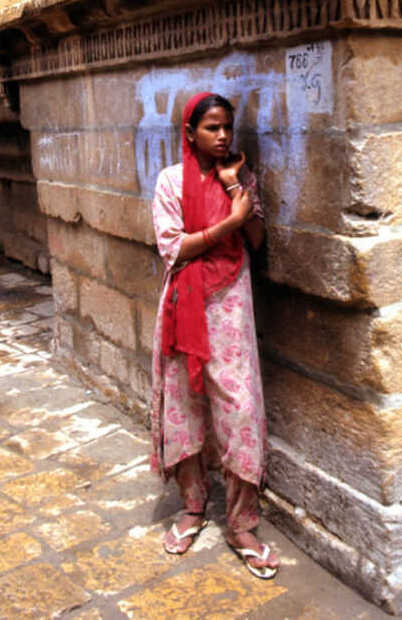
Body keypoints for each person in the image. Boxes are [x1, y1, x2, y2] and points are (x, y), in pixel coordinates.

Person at [150, 91, 279, 579]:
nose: (223, 136)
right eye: (212, 128)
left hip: (230, 304)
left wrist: (232, 190)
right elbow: (174, 249)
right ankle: (193, 505)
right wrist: (231, 220)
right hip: (186, 305)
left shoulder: (240, 178)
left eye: (227, 126)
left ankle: (242, 522)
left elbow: (257, 239)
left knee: (239, 406)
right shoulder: (170, 182)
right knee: (185, 403)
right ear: (190, 133)